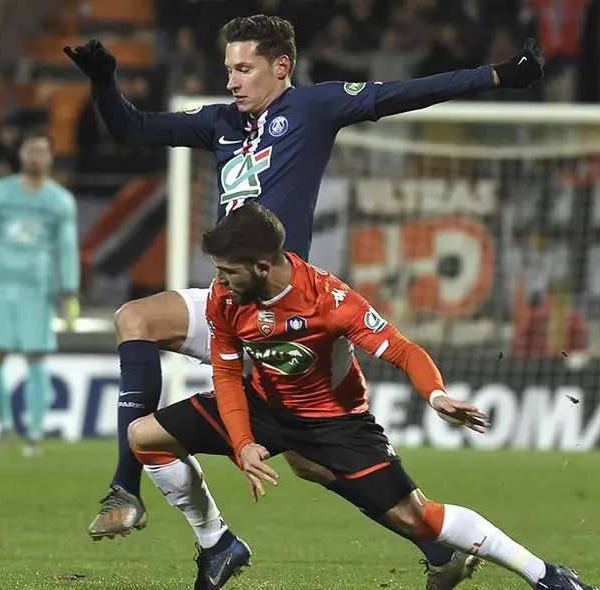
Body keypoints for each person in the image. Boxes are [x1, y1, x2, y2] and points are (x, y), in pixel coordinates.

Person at [63, 14, 544, 585]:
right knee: (135, 318)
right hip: (230, 304)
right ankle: (137, 492)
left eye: (244, 69)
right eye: (229, 70)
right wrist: (103, 82)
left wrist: (496, 76)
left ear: (281, 66)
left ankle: (438, 547)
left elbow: (405, 94)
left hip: (289, 311)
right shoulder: (219, 123)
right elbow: (133, 129)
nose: (233, 81)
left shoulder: (313, 108)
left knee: (314, 464)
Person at [129, 203, 599, 590]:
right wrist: (242, 441)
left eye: (228, 270)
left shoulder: (329, 302)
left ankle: (549, 577)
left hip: (334, 422)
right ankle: (217, 543)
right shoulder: (224, 297)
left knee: (420, 518)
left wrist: (435, 396)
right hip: (263, 403)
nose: (220, 280)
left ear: (263, 266)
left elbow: (400, 349)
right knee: (145, 436)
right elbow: (229, 374)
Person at [0, 131, 81, 457]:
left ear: (51, 158)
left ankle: (35, 435)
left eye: (43, 150)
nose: (37, 156)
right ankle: (5, 426)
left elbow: (67, 249)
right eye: (32, 149)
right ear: (21, 154)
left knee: (36, 358)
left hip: (36, 289)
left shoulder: (60, 201)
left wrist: (70, 290)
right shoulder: (0, 192)